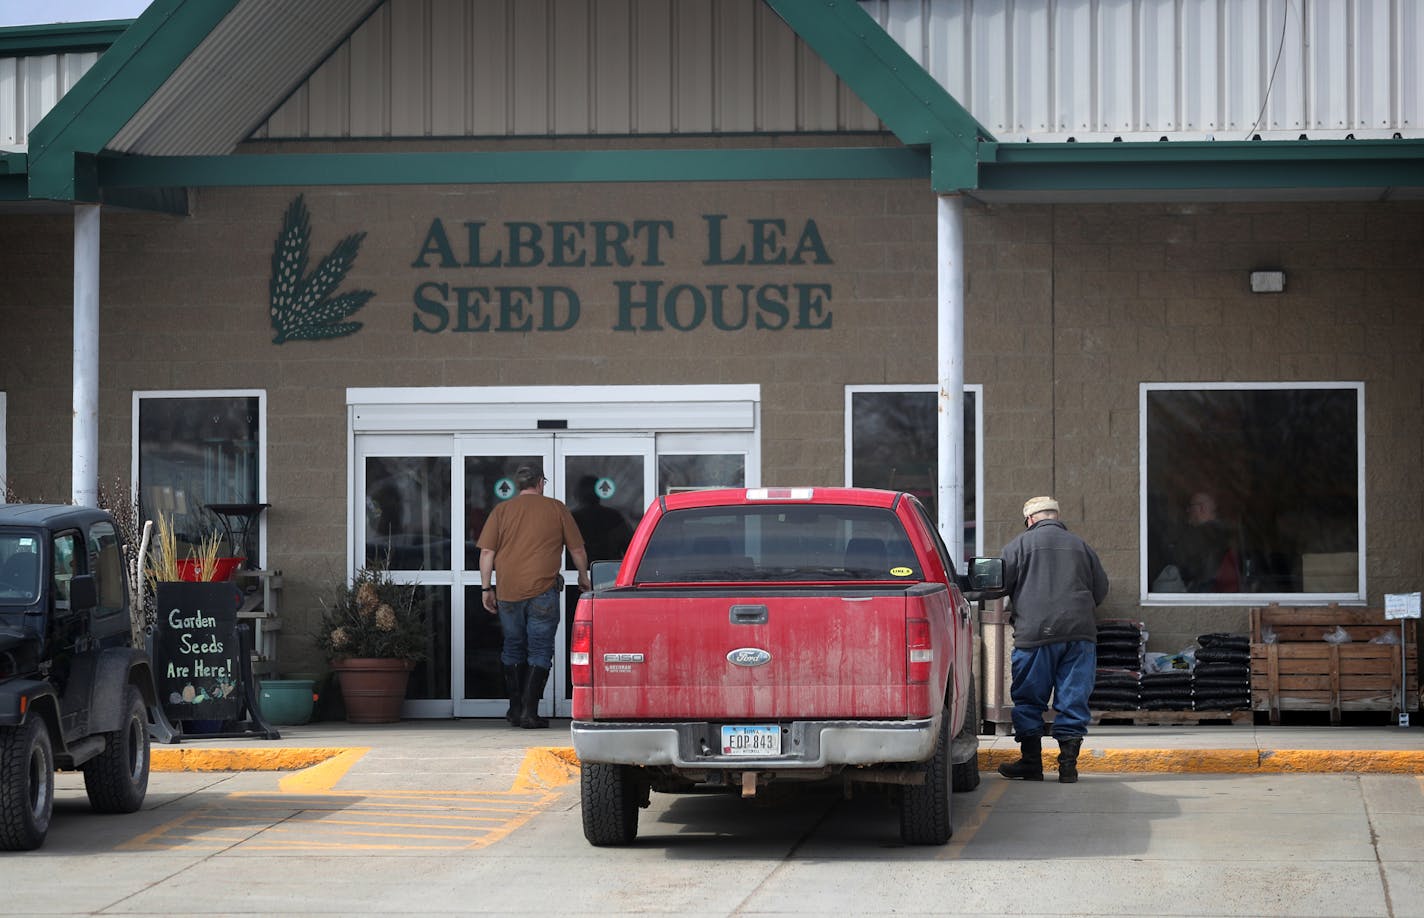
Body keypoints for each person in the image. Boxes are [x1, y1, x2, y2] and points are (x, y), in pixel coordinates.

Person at [997, 495, 1109, 784]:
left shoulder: (1018, 546)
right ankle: (1068, 767)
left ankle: (1031, 763)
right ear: (1056, 517)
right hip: (1079, 634)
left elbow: (998, 585)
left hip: (1035, 634)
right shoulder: (1082, 546)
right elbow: (1101, 589)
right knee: (1073, 698)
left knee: (1028, 697)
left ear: (1030, 520)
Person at [478, 465, 591, 729]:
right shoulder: (556, 508)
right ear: (541, 483)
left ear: (518, 485)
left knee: (513, 646)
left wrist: (486, 588)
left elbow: (486, 554)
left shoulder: (501, 511)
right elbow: (577, 549)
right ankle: (530, 711)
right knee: (540, 649)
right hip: (544, 590)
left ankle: (515, 709)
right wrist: (583, 577)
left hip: (508, 591)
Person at [1162, 491, 1239, 592]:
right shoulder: (1226, 532)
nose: (1187, 510)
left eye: (1190, 506)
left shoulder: (1201, 535)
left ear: (1201, 508)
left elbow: (1176, 562)